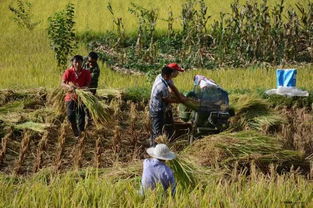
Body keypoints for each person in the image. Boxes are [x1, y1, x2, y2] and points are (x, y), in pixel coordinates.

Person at [149, 63, 186, 146]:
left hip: (163, 107)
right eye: (177, 72)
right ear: (169, 74)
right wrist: (180, 101)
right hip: (157, 109)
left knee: (168, 125)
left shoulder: (163, 76)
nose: (178, 74)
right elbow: (167, 99)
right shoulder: (161, 86)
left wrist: (180, 97)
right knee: (157, 131)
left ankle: (168, 142)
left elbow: (173, 87)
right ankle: (155, 149)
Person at [61, 55, 91, 137]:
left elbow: (87, 85)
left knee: (81, 114)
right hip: (70, 96)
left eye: (79, 62)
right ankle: (74, 129)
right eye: (76, 62)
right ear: (73, 63)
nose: (77, 64)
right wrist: (69, 86)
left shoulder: (86, 73)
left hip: (81, 97)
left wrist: (80, 88)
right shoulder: (68, 72)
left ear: (82, 62)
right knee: (70, 115)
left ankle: (81, 131)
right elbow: (62, 83)